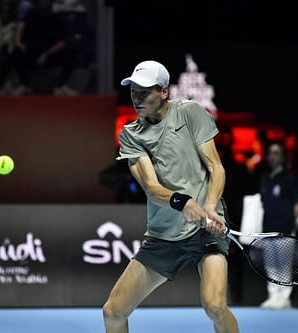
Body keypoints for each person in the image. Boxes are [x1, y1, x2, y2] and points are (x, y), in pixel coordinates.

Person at [102, 60, 239, 333]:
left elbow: (215, 166)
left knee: (215, 306)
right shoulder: (131, 135)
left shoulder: (190, 113)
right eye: (133, 91)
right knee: (113, 312)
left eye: (144, 91)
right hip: (164, 236)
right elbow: (152, 188)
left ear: (164, 91)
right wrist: (184, 202)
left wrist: (210, 207)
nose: (136, 98)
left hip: (207, 231)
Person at [259, 141, 298, 309]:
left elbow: (297, 205)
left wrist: (290, 223)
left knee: (284, 265)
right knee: (270, 265)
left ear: (284, 157)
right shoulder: (265, 178)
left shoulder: (289, 179)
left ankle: (284, 297)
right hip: (267, 229)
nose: (272, 156)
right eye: (270, 153)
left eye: (277, 153)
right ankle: (273, 295)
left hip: (284, 230)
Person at [12, 0, 75, 95]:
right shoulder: (31, 15)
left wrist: (47, 53)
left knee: (69, 54)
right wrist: (19, 43)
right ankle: (25, 85)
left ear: (51, 2)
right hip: (31, 53)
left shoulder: (56, 18)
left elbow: (62, 41)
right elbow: (21, 26)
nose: (43, 2)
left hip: (49, 54)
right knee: (16, 52)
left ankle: (60, 86)